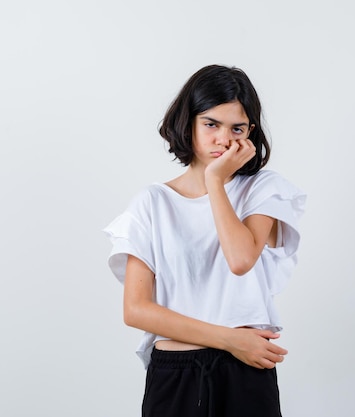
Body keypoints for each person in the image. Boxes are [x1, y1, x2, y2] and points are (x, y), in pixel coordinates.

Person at [103, 64, 306, 417]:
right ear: (189, 122)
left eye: (237, 128)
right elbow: (136, 310)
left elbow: (240, 259)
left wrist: (215, 182)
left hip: (244, 371)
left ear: (250, 132)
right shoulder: (152, 203)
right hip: (176, 373)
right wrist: (228, 338)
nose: (224, 139)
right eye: (211, 124)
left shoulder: (263, 189)